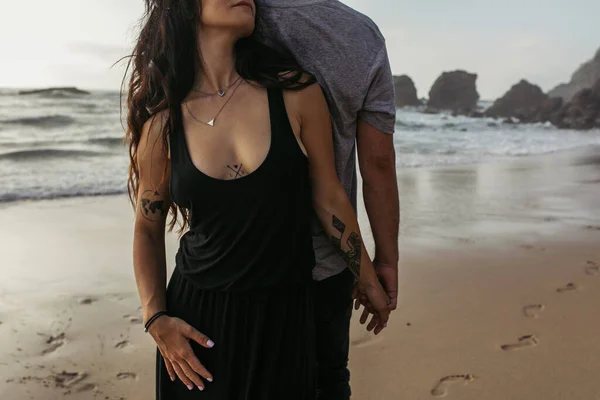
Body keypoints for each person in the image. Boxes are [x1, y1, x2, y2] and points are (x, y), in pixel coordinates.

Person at [124, 0, 390, 399]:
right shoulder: (163, 123)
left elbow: (328, 196)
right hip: (198, 326)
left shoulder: (295, 92)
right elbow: (147, 227)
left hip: (285, 319)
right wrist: (155, 317)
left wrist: (369, 277)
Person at [257, 1, 401, 399]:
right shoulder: (361, 35)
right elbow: (378, 163)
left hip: (237, 256)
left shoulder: (233, 13)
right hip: (329, 257)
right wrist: (385, 261)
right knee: (327, 379)